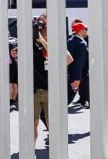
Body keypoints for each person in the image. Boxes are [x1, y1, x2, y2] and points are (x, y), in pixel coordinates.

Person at [32, 14, 73, 143]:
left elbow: (68, 60)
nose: (42, 26)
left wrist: (43, 41)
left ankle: (55, 147)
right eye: (40, 23)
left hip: (51, 89)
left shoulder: (56, 42)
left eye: (45, 23)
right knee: (32, 122)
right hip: (34, 89)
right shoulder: (31, 41)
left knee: (53, 121)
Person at [67, 21, 89, 107]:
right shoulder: (81, 44)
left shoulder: (70, 41)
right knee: (67, 99)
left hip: (70, 74)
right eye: (85, 29)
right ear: (80, 31)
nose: (87, 31)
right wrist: (77, 78)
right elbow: (78, 63)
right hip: (75, 77)